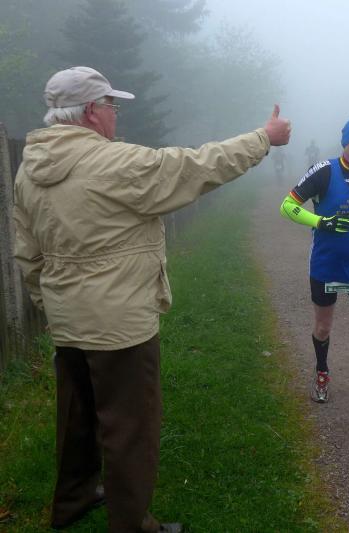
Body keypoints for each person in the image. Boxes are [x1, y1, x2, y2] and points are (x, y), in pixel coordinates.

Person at [13, 66, 291, 532]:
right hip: (119, 324)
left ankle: (72, 502)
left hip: (66, 318)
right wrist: (263, 138)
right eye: (111, 105)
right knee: (130, 428)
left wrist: (51, 303)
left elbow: (27, 253)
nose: (115, 115)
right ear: (91, 111)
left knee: (77, 416)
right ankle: (132, 524)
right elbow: (196, 167)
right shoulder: (113, 163)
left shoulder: (30, 170)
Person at [279, 117, 349, 435]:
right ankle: (322, 371)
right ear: (346, 143)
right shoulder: (324, 171)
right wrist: (321, 222)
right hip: (326, 266)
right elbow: (287, 206)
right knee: (323, 327)